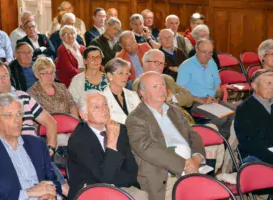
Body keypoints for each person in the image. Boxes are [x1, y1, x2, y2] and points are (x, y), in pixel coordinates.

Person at [0, 59, 69, 196]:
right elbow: (4, 139)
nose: (3, 80)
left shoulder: (23, 97)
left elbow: (50, 122)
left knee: (65, 189)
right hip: (4, 164)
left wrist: (49, 149)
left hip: (35, 154)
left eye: (6, 75)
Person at [126, 71, 205, 200]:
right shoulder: (136, 118)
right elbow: (147, 148)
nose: (162, 89)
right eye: (155, 87)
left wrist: (196, 158)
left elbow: (192, 134)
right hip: (164, 177)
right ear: (142, 93)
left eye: (163, 85)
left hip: (192, 167)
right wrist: (183, 164)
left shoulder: (174, 110)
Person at [0, 93, 62, 199]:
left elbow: (53, 180)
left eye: (19, 114)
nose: (17, 120)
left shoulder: (37, 144)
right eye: (9, 115)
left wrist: (51, 194)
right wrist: (28, 193)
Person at [67, 90, 148, 200]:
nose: (104, 109)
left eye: (105, 104)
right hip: (91, 192)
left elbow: (131, 168)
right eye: (96, 107)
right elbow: (103, 179)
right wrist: (111, 143)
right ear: (84, 115)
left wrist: (117, 183)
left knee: (141, 195)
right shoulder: (78, 140)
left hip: (122, 186)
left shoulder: (120, 129)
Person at [177, 39, 234, 138]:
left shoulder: (212, 63)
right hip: (194, 102)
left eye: (210, 53)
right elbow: (180, 93)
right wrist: (201, 100)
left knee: (237, 114)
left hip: (212, 101)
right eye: (204, 52)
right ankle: (211, 140)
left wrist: (218, 98)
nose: (208, 56)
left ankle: (224, 141)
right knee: (221, 118)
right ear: (196, 50)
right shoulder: (186, 66)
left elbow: (218, 88)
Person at [235, 69, 273, 164]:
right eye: (268, 83)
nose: (272, 87)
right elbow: (251, 145)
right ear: (254, 86)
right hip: (254, 156)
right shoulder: (244, 109)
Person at [103, 58, 140, 124]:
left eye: (127, 73)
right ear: (109, 75)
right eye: (121, 73)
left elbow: (142, 117)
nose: (125, 77)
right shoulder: (102, 98)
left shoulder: (133, 95)